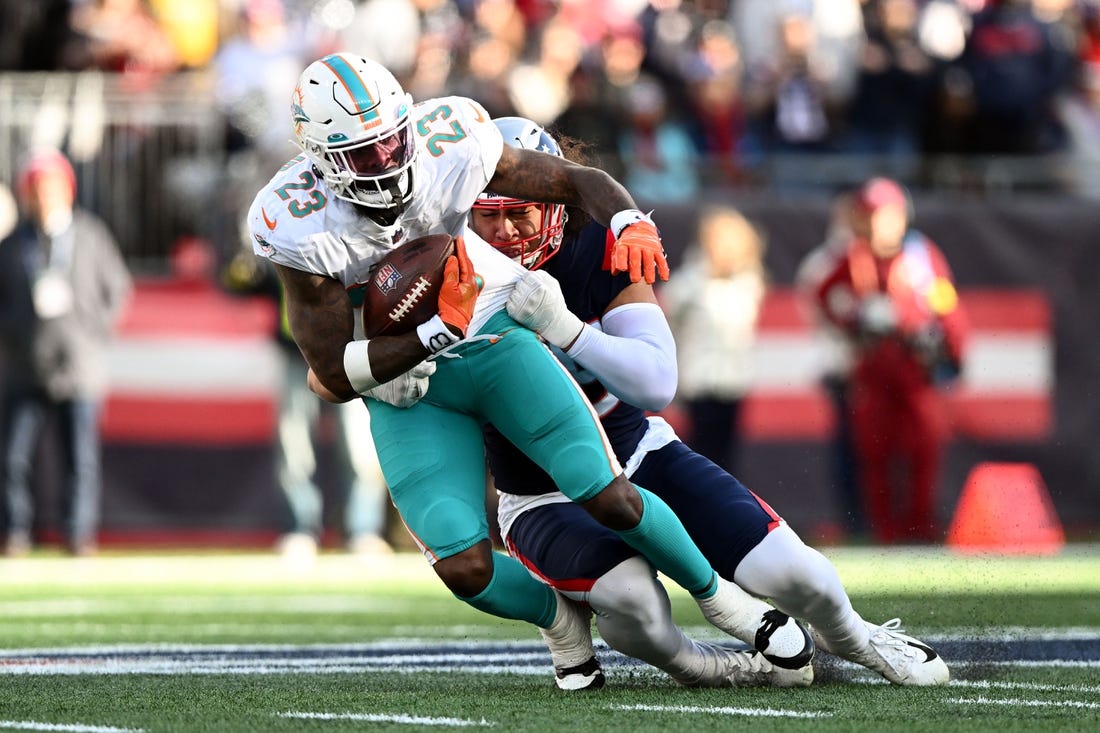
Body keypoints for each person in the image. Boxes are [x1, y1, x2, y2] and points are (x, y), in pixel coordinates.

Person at [247, 52, 813, 688]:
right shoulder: (292, 221)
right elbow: (327, 370)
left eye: (391, 141)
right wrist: (423, 337)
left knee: (606, 493)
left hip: (493, 339)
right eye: (363, 154)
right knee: (462, 566)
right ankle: (560, 622)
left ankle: (723, 601)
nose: (386, 163)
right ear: (321, 159)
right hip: (410, 385)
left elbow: (575, 181)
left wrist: (626, 218)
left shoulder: (449, 138)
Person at [464, 116, 951, 689]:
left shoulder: (593, 242)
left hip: (635, 454)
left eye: (518, 211)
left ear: (554, 205)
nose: (501, 232)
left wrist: (567, 330)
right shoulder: (446, 271)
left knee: (802, 577)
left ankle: (854, 635)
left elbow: (655, 384)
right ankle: (705, 663)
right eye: (485, 215)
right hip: (540, 492)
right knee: (632, 603)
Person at [811, 177, 969, 544]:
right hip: (873, 365)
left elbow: (947, 303)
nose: (880, 224)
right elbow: (822, 294)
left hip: (915, 366)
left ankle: (920, 529)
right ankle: (885, 533)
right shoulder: (853, 257)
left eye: (887, 216)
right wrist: (852, 320)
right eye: (871, 216)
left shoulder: (921, 256)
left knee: (924, 448)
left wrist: (953, 348)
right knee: (875, 450)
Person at [0, 148, 133, 557]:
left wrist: (92, 332)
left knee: (79, 460)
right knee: (13, 457)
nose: (43, 196)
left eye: (51, 186)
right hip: (25, 366)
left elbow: (118, 291)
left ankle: (77, 534)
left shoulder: (90, 235)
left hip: (79, 365)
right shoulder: (13, 244)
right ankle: (16, 531)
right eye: (36, 188)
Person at [221, 251, 392, 562]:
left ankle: (363, 528)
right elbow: (244, 282)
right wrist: (246, 271)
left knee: (358, 446)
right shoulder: (281, 233)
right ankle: (300, 529)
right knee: (294, 446)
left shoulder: (350, 228)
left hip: (349, 348)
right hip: (297, 349)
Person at [660, 205, 768, 475]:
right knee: (702, 452)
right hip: (699, 380)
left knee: (727, 454)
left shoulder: (747, 282)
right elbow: (672, 308)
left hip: (732, 381)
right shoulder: (691, 281)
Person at [795, 189, 864, 540]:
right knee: (848, 444)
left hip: (874, 365)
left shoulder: (874, 257)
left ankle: (875, 519)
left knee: (872, 446)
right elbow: (822, 309)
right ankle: (854, 518)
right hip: (843, 363)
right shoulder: (829, 263)